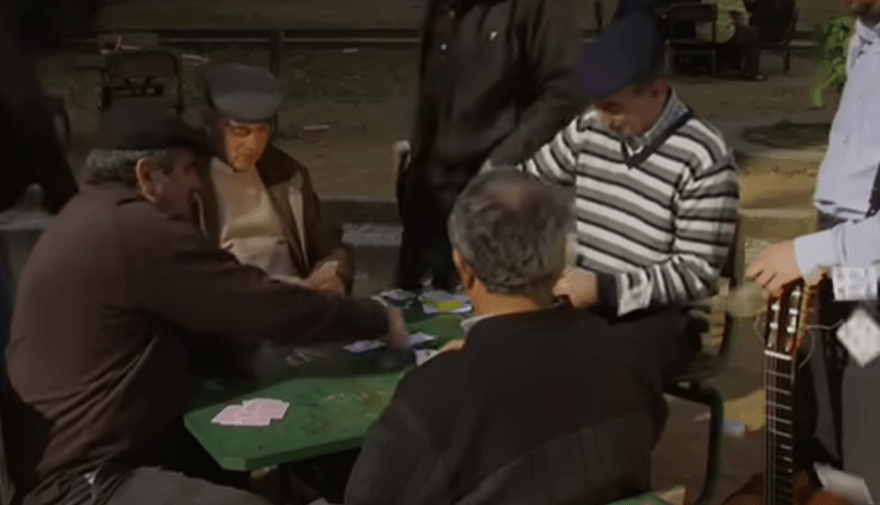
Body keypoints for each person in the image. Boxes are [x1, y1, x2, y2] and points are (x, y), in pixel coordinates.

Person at [2, 106, 407, 505]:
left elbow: (193, 321)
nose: (197, 183)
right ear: (147, 175)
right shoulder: (135, 232)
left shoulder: (89, 215)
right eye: (188, 170)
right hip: (83, 481)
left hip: (89, 454)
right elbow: (259, 303)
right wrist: (376, 318)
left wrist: (236, 354)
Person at [345, 169, 692, 505]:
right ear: (560, 261)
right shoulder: (629, 356)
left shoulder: (438, 390)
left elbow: (367, 496)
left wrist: (443, 376)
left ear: (464, 268)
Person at [495, 14, 738, 376]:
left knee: (590, 364)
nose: (601, 117)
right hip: (588, 300)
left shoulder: (704, 156)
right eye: (595, 104)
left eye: (612, 107)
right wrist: (492, 199)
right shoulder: (589, 128)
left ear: (656, 90)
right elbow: (531, 180)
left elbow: (695, 273)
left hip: (661, 316)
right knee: (509, 343)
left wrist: (605, 289)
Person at [746, 0, 880, 500]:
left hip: (868, 272)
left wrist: (810, 252)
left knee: (863, 408)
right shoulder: (867, 33)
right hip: (845, 252)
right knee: (820, 406)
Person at [394, 0, 586, 291]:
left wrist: (505, 158)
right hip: (429, 192)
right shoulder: (438, 9)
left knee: (490, 301)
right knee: (412, 303)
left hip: (494, 194)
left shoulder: (535, 8)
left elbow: (568, 87)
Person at [196, 62, 351, 296]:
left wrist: (334, 270)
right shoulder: (189, 179)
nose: (253, 144)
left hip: (295, 296)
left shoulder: (287, 174)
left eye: (262, 131)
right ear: (208, 125)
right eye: (240, 132)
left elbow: (328, 241)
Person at [696, 0, 767, 80]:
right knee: (752, 33)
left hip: (703, 33)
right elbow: (742, 19)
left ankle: (724, 67)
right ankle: (750, 71)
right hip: (720, 33)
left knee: (736, 32)